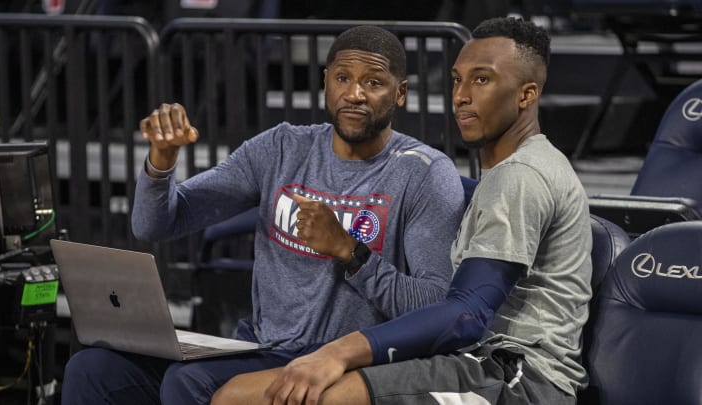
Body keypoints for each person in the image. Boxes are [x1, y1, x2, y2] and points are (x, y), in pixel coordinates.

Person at [60, 25, 467, 405]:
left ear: (401, 93)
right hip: (260, 348)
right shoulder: (281, 147)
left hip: (337, 361)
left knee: (186, 384)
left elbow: (435, 305)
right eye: (343, 78)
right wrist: (161, 161)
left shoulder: (424, 173)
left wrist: (349, 251)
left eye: (373, 83)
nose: (355, 93)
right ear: (326, 81)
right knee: (93, 370)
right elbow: (156, 223)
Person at [212, 16, 592, 405]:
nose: (461, 95)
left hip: (518, 377)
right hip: (475, 362)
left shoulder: (522, 176)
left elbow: (466, 314)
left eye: (482, 80)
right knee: (244, 391)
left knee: (259, 396)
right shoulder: (507, 174)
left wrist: (338, 352)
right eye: (457, 80)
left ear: (527, 95)